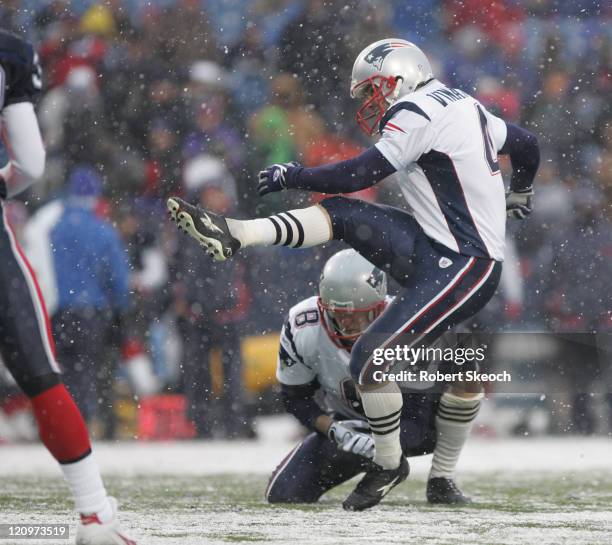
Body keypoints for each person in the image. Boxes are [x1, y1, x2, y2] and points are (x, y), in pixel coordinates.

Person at [167, 38, 540, 510]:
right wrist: (521, 190)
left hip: (467, 263)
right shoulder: (462, 103)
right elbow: (528, 144)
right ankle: (238, 233)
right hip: (436, 249)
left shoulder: (418, 112)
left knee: (372, 358)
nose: (370, 102)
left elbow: (359, 172)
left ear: (399, 78)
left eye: (373, 91)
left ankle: (395, 467)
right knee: (342, 214)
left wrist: (295, 175)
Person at [0, 30, 135, 544]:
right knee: (42, 378)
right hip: (79, 308)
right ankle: (94, 513)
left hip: (80, 310)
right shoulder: (10, 50)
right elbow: (31, 165)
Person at [266, 249, 481, 505]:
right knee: (283, 494)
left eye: (359, 314)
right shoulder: (304, 326)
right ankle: (383, 461)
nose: (348, 324)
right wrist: (335, 431)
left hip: (411, 427)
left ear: (379, 306)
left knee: (465, 367)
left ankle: (441, 478)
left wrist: (384, 445)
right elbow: (295, 398)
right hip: (350, 425)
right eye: (338, 313)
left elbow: (459, 378)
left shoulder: (409, 324)